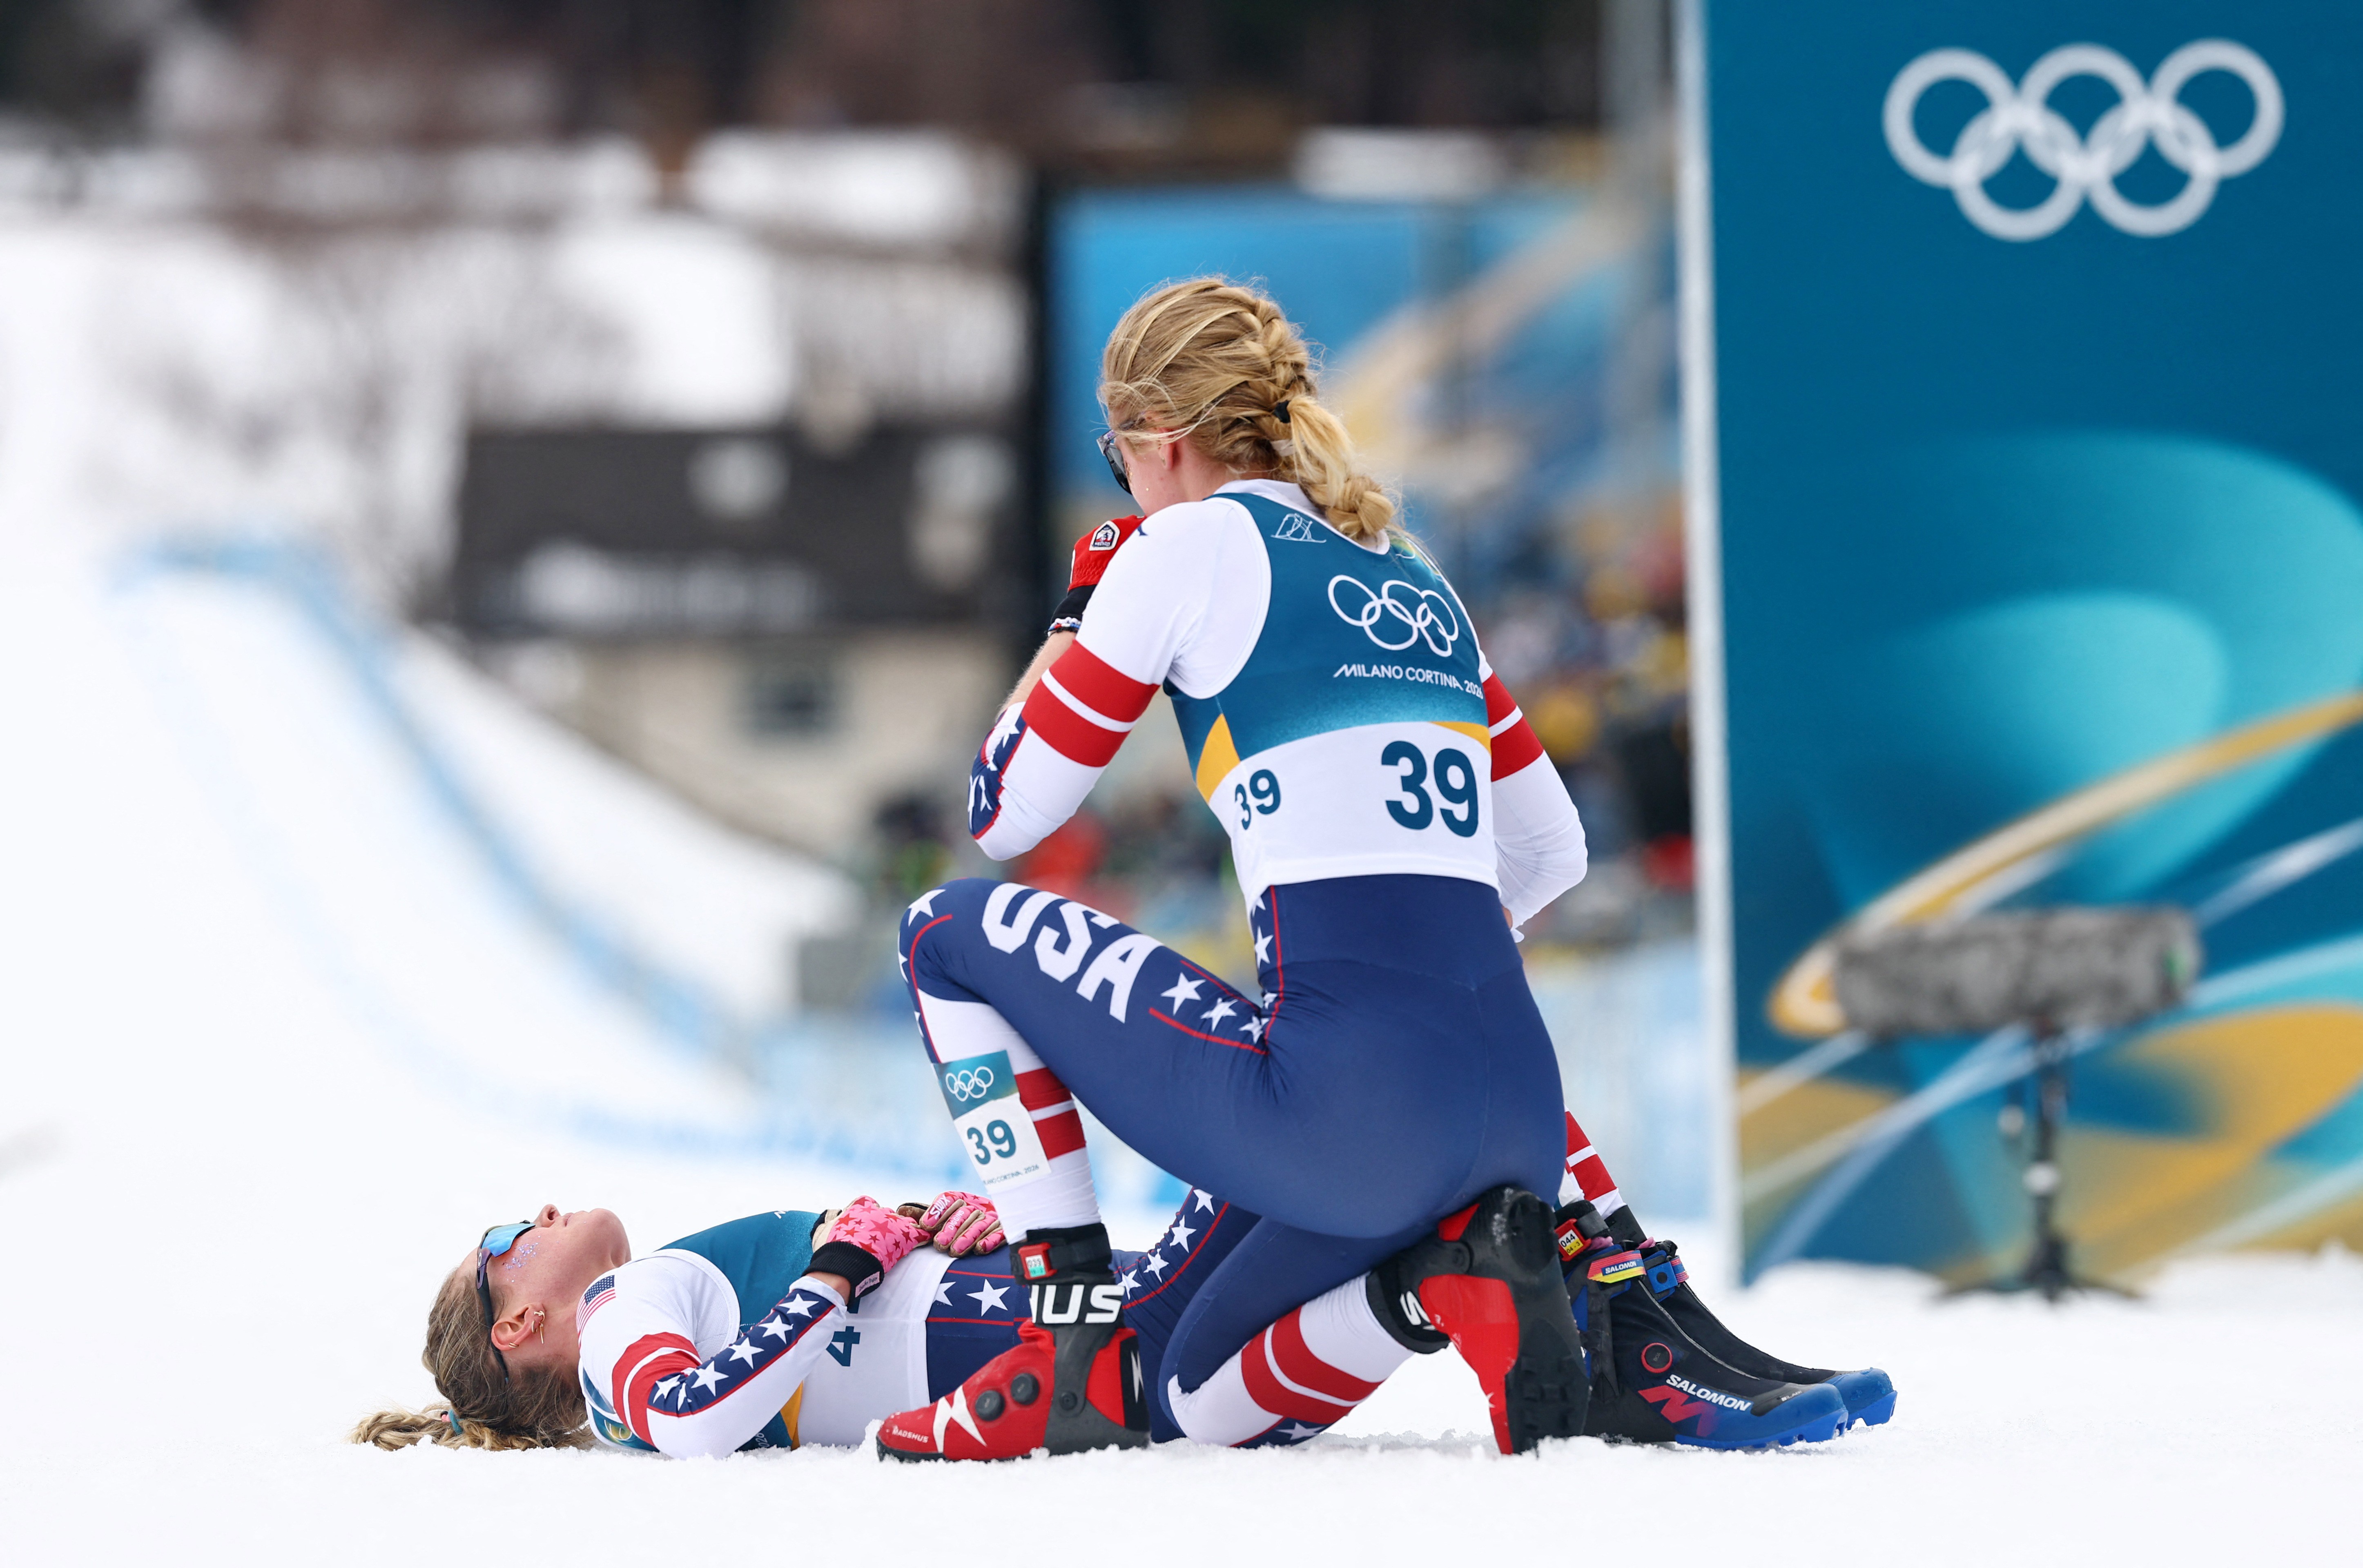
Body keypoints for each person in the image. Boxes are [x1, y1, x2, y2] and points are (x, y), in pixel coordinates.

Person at [889, 276, 1612, 1460]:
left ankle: (1061, 1348)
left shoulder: (1180, 546)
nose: (1125, 484)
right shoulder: (1411, 572)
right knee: (1179, 1386)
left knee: (943, 932)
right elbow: (1550, 850)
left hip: (1347, 1112)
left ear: (1158, 444)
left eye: (1116, 458)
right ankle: (1442, 1274)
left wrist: (1078, 614)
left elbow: (1006, 812)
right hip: (1518, 1117)